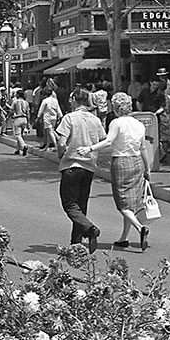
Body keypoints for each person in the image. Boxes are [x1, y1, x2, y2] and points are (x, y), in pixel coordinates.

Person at [79, 92, 152, 250]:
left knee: (122, 203)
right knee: (131, 202)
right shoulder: (138, 124)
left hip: (121, 161)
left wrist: (89, 148)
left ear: (116, 107)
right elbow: (143, 147)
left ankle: (140, 228)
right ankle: (123, 238)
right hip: (137, 161)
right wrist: (148, 168)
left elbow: (109, 141)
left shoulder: (116, 123)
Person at [53, 88, 105, 251]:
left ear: (75, 99)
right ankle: (76, 243)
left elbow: (61, 142)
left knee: (69, 204)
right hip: (88, 166)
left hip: (71, 165)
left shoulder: (69, 118)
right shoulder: (95, 120)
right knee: (81, 205)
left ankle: (90, 229)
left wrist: (61, 154)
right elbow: (102, 139)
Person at [9, 89, 31, 156]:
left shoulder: (15, 102)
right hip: (24, 119)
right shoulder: (26, 102)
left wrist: (8, 117)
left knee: (17, 135)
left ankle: (24, 146)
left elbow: (11, 111)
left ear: (18, 94)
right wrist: (28, 123)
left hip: (18, 118)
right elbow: (28, 113)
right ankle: (17, 149)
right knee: (21, 135)